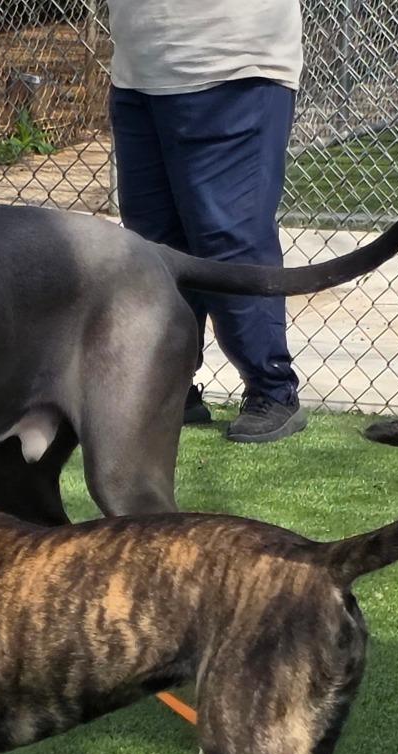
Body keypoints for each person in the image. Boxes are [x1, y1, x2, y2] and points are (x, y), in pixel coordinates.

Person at [107, 1, 307, 442]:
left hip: (232, 65)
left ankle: (272, 390)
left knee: (229, 238)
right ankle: (170, 388)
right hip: (139, 69)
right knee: (152, 245)